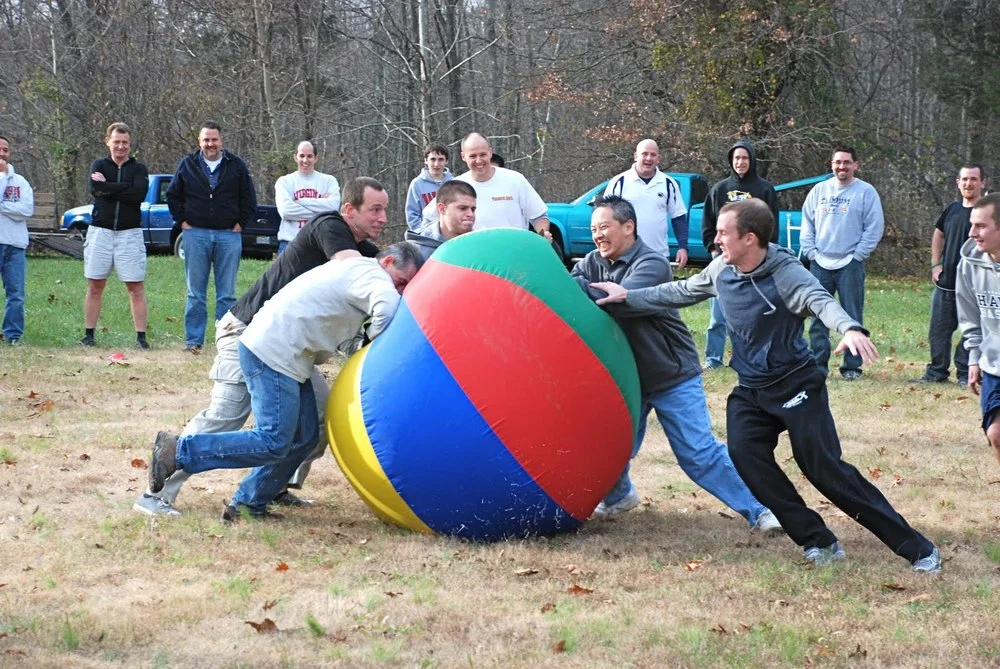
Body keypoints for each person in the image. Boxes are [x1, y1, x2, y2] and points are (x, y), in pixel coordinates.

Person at [590, 199, 941, 573]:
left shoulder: (784, 272)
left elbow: (819, 300)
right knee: (746, 456)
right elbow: (680, 292)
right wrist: (628, 296)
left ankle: (917, 548)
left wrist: (850, 327)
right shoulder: (721, 270)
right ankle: (817, 539)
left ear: (750, 238)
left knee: (823, 470)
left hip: (796, 385)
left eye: (723, 234)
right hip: (752, 389)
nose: (716, 240)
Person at [133, 177, 387, 517]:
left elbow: (390, 261)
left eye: (385, 210)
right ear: (348, 210)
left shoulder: (362, 249)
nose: (383, 218)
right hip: (246, 331)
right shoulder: (330, 226)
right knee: (226, 417)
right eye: (375, 210)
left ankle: (264, 491)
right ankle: (156, 492)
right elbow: (351, 267)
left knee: (320, 420)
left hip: (290, 347)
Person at [148, 242, 423, 521]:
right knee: (272, 440)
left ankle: (248, 504)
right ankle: (180, 451)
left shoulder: (356, 272)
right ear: (387, 261)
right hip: (272, 351)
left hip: (287, 353)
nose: (400, 291)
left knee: (304, 438)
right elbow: (387, 310)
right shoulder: (373, 275)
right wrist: (375, 337)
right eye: (401, 282)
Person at [571, 195, 780, 531]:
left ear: (628, 227)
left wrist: (579, 288)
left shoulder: (652, 263)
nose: (598, 235)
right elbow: (569, 289)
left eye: (604, 227)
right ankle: (618, 496)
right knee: (610, 448)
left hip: (671, 375)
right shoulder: (592, 263)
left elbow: (621, 302)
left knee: (698, 453)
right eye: (594, 229)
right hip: (627, 380)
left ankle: (763, 509)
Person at [166, 121, 258, 354]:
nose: (210, 144)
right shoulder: (187, 164)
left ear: (221, 141)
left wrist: (240, 224)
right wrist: (183, 222)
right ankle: (194, 341)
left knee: (227, 294)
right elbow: (173, 196)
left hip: (229, 235)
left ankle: (225, 342)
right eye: (206, 139)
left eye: (214, 139)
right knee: (195, 292)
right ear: (199, 142)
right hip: (195, 234)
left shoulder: (235, 166)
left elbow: (248, 198)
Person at [800, 146, 884, 380]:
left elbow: (874, 227)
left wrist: (858, 255)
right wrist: (811, 253)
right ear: (831, 164)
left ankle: (852, 367)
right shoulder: (819, 191)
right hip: (820, 264)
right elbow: (807, 222)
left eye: (847, 162)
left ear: (856, 165)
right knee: (818, 318)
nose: (841, 167)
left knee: (852, 316)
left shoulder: (866, 192)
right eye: (838, 162)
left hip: (850, 264)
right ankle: (818, 366)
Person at [701, 139, 778, 369]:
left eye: (744, 158)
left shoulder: (765, 190)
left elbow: (772, 227)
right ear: (731, 161)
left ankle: (745, 359)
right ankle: (713, 359)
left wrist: (764, 254)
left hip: (755, 262)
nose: (740, 162)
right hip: (724, 259)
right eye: (736, 158)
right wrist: (714, 249)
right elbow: (708, 223)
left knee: (752, 314)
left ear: (752, 160)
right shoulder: (720, 189)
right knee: (718, 315)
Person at [912, 165, 986, 386]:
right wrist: (936, 264)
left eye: (973, 179)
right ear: (958, 182)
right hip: (947, 284)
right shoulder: (952, 209)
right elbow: (939, 234)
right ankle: (936, 373)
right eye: (964, 179)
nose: (968, 183)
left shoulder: (988, 212)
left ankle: (965, 374)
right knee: (939, 331)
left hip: (975, 285)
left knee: (971, 331)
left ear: (983, 183)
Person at [79, 123, 151, 349]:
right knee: (95, 285)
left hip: (130, 234)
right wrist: (122, 187)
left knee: (135, 287)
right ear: (107, 141)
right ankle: (89, 335)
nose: (121, 146)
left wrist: (110, 187)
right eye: (116, 141)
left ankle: (141, 338)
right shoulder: (98, 165)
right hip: (101, 232)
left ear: (130, 144)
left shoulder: (139, 169)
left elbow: (138, 194)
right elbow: (96, 190)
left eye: (125, 143)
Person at [429, 133, 550, 237]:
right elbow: (429, 219)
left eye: (483, 154)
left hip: (514, 255)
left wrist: (542, 236)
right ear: (463, 156)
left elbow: (539, 217)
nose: (479, 160)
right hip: (473, 258)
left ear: (490, 152)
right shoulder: (456, 186)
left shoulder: (515, 179)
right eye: (472, 156)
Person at [956, 192, 1000, 465]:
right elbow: (970, 316)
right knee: (995, 433)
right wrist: (974, 357)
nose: (972, 233)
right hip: (994, 365)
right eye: (972, 224)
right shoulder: (969, 263)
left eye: (981, 226)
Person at [604, 139, 690, 270]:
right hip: (625, 255)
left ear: (658, 158)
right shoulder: (619, 183)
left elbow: (678, 218)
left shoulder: (668, 184)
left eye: (653, 154)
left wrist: (683, 247)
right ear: (636, 156)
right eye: (644, 154)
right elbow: (605, 219)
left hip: (658, 255)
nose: (648, 158)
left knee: (658, 291)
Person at [274, 140, 340, 253]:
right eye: (302, 156)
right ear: (295, 157)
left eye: (309, 156)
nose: (305, 160)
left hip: (319, 245)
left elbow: (333, 208)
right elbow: (285, 211)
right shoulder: (284, 182)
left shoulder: (329, 181)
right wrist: (321, 207)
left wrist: (299, 201)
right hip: (290, 244)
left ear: (316, 158)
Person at [0, 134, 34, 346]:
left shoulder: (20, 182)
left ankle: (12, 335)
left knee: (16, 295)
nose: (2, 154)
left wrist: (2, 206)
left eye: (5, 150)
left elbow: (26, 210)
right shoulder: (7, 180)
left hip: (15, 245)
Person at [405, 180, 476, 261]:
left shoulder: (478, 247)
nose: (470, 214)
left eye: (473, 209)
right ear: (442, 209)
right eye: (463, 208)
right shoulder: (416, 253)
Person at [405, 143, 452, 232]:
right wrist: (422, 232)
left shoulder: (453, 183)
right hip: (426, 235)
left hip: (449, 234)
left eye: (441, 159)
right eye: (432, 159)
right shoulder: (417, 184)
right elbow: (412, 214)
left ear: (446, 161)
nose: (436, 164)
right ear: (426, 160)